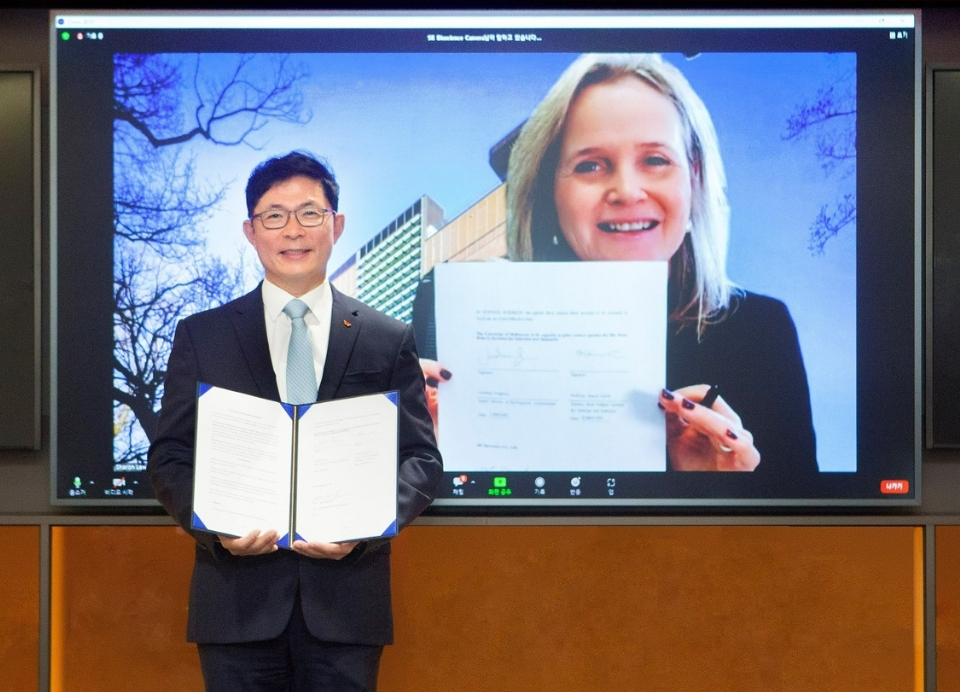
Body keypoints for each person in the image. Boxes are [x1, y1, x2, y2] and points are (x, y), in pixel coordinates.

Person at [418, 53, 817, 482]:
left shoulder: (760, 330)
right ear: (549, 188)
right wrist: (418, 459)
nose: (627, 191)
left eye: (656, 160)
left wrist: (730, 492)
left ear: (693, 176)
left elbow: (812, 541)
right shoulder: (450, 311)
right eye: (591, 164)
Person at [148, 150, 443, 691]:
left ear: (337, 225)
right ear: (250, 230)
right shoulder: (202, 335)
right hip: (235, 603)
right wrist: (217, 528)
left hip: (347, 604)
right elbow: (169, 458)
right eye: (274, 215)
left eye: (310, 213)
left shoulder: (386, 337)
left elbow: (421, 460)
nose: (293, 230)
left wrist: (364, 527)